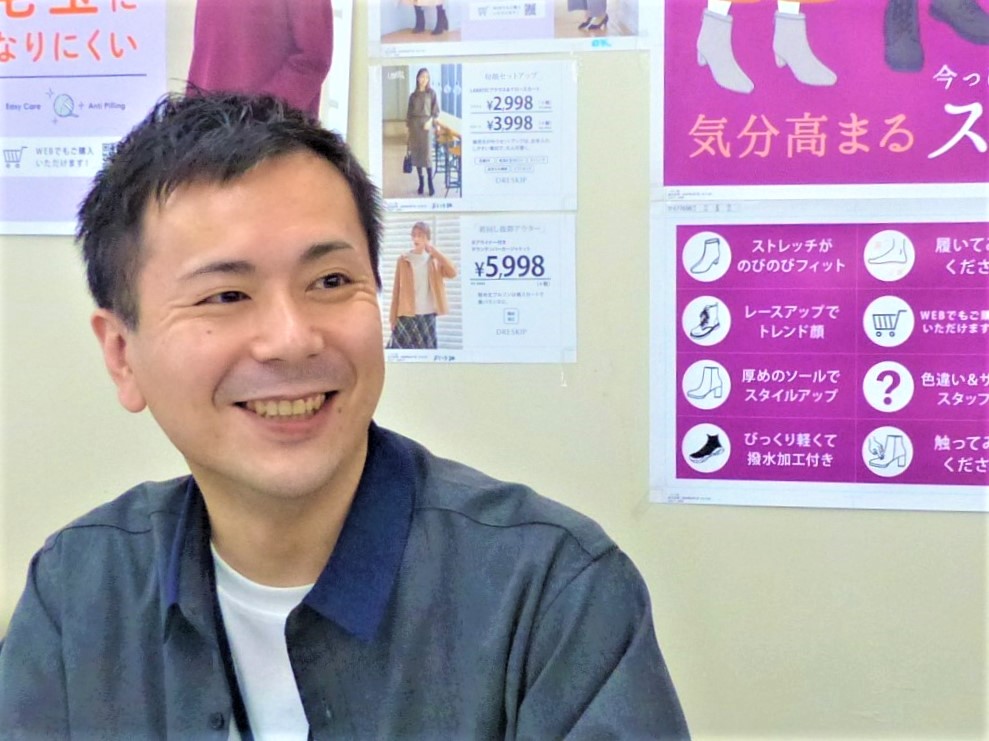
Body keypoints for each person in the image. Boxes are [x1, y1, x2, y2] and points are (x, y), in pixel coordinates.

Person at [0, 92, 689, 739]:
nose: (292, 339)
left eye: (330, 281)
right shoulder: (79, 587)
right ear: (122, 355)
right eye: (226, 295)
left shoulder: (550, 590)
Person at [186, 0, 334, 118]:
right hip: (205, 120)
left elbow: (313, 58)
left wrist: (259, 114)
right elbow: (206, 53)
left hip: (263, 129)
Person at [388, 221, 457, 349]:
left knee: (427, 353)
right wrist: (392, 318)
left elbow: (452, 272)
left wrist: (435, 252)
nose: (416, 238)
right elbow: (396, 290)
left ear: (427, 238)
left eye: (420, 235)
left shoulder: (434, 260)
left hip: (427, 314)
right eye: (414, 235)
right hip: (406, 314)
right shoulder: (403, 260)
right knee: (402, 353)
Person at [406, 67, 440, 197]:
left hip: (426, 126)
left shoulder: (431, 93)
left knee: (427, 155)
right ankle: (421, 182)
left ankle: (430, 183)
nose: (424, 79)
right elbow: (409, 114)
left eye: (426, 77)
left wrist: (430, 122)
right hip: (414, 127)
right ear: (417, 78)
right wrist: (408, 131)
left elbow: (435, 111)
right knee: (417, 154)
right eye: (422, 77)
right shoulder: (412, 96)